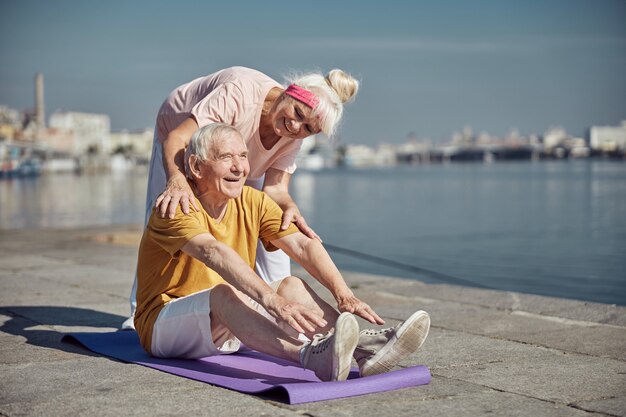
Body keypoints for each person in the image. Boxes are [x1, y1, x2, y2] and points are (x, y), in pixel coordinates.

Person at [134, 123, 431, 381]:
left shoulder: (252, 200)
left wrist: (344, 294)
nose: (240, 167)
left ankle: (367, 351)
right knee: (224, 294)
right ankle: (308, 356)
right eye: (226, 158)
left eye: (243, 156)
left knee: (291, 284)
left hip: (224, 324)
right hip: (163, 325)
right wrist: (270, 300)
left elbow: (301, 244)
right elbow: (212, 252)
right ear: (196, 167)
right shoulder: (173, 207)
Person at [124, 66, 360, 330]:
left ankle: (288, 314)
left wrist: (290, 208)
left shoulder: (294, 135)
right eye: (296, 113)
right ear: (290, 92)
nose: (295, 127)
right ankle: (137, 314)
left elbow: (276, 190)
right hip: (178, 134)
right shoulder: (240, 93)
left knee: (277, 223)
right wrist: (177, 180)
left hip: (237, 158)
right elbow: (177, 137)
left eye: (307, 128)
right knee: (169, 209)